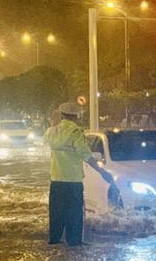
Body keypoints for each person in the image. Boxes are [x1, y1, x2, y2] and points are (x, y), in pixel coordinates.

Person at [43, 102, 113, 246]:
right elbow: (86, 155)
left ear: (62, 115)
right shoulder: (76, 133)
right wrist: (102, 172)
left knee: (56, 214)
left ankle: (54, 241)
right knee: (74, 215)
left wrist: (53, 124)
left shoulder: (51, 131)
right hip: (73, 181)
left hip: (56, 180)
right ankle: (74, 242)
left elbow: (45, 141)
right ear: (77, 116)